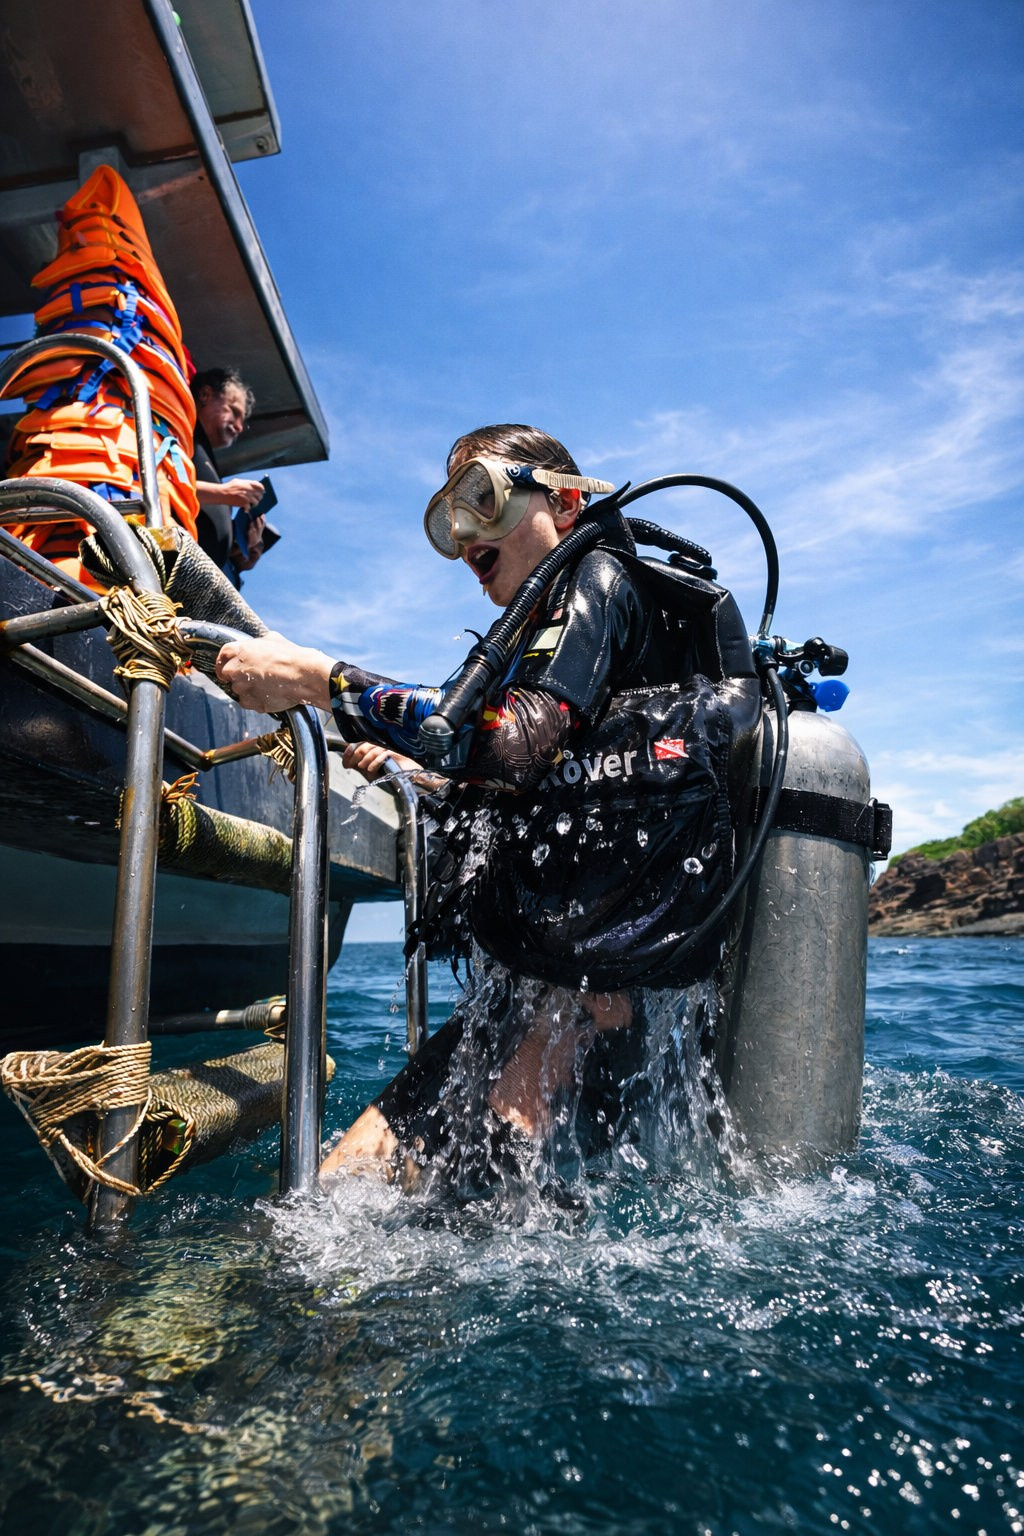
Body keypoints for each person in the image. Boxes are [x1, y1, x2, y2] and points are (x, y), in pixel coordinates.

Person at [216, 423, 753, 1198]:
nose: (466, 533)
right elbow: (542, 782)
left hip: (587, 992)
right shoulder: (539, 631)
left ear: (566, 503)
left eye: (483, 498)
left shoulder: (598, 580)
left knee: (465, 1210)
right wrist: (420, 770)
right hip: (547, 973)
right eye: (448, 518)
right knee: (343, 1180)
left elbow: (516, 748)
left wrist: (318, 676)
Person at [191, 366, 267, 587]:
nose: (240, 427)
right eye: (234, 411)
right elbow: (157, 486)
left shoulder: (206, 456)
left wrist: (239, 551)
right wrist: (224, 493)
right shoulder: (181, 435)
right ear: (205, 395)